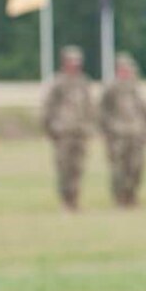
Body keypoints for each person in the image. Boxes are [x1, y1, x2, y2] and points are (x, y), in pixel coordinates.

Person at [42, 46, 95, 210]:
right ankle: (65, 201)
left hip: (79, 132)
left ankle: (75, 200)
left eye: (77, 61)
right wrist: (51, 129)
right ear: (65, 62)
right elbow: (48, 108)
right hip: (63, 132)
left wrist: (88, 126)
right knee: (64, 168)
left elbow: (89, 107)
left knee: (77, 167)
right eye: (72, 61)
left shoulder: (83, 82)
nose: (75, 64)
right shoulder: (58, 83)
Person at [99, 53, 146, 207]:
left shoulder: (135, 87)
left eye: (129, 69)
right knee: (119, 168)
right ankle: (120, 197)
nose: (127, 72)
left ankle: (132, 194)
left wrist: (145, 129)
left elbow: (143, 110)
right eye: (124, 69)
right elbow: (103, 112)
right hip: (118, 135)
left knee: (136, 166)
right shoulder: (112, 89)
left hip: (136, 133)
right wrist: (109, 131)